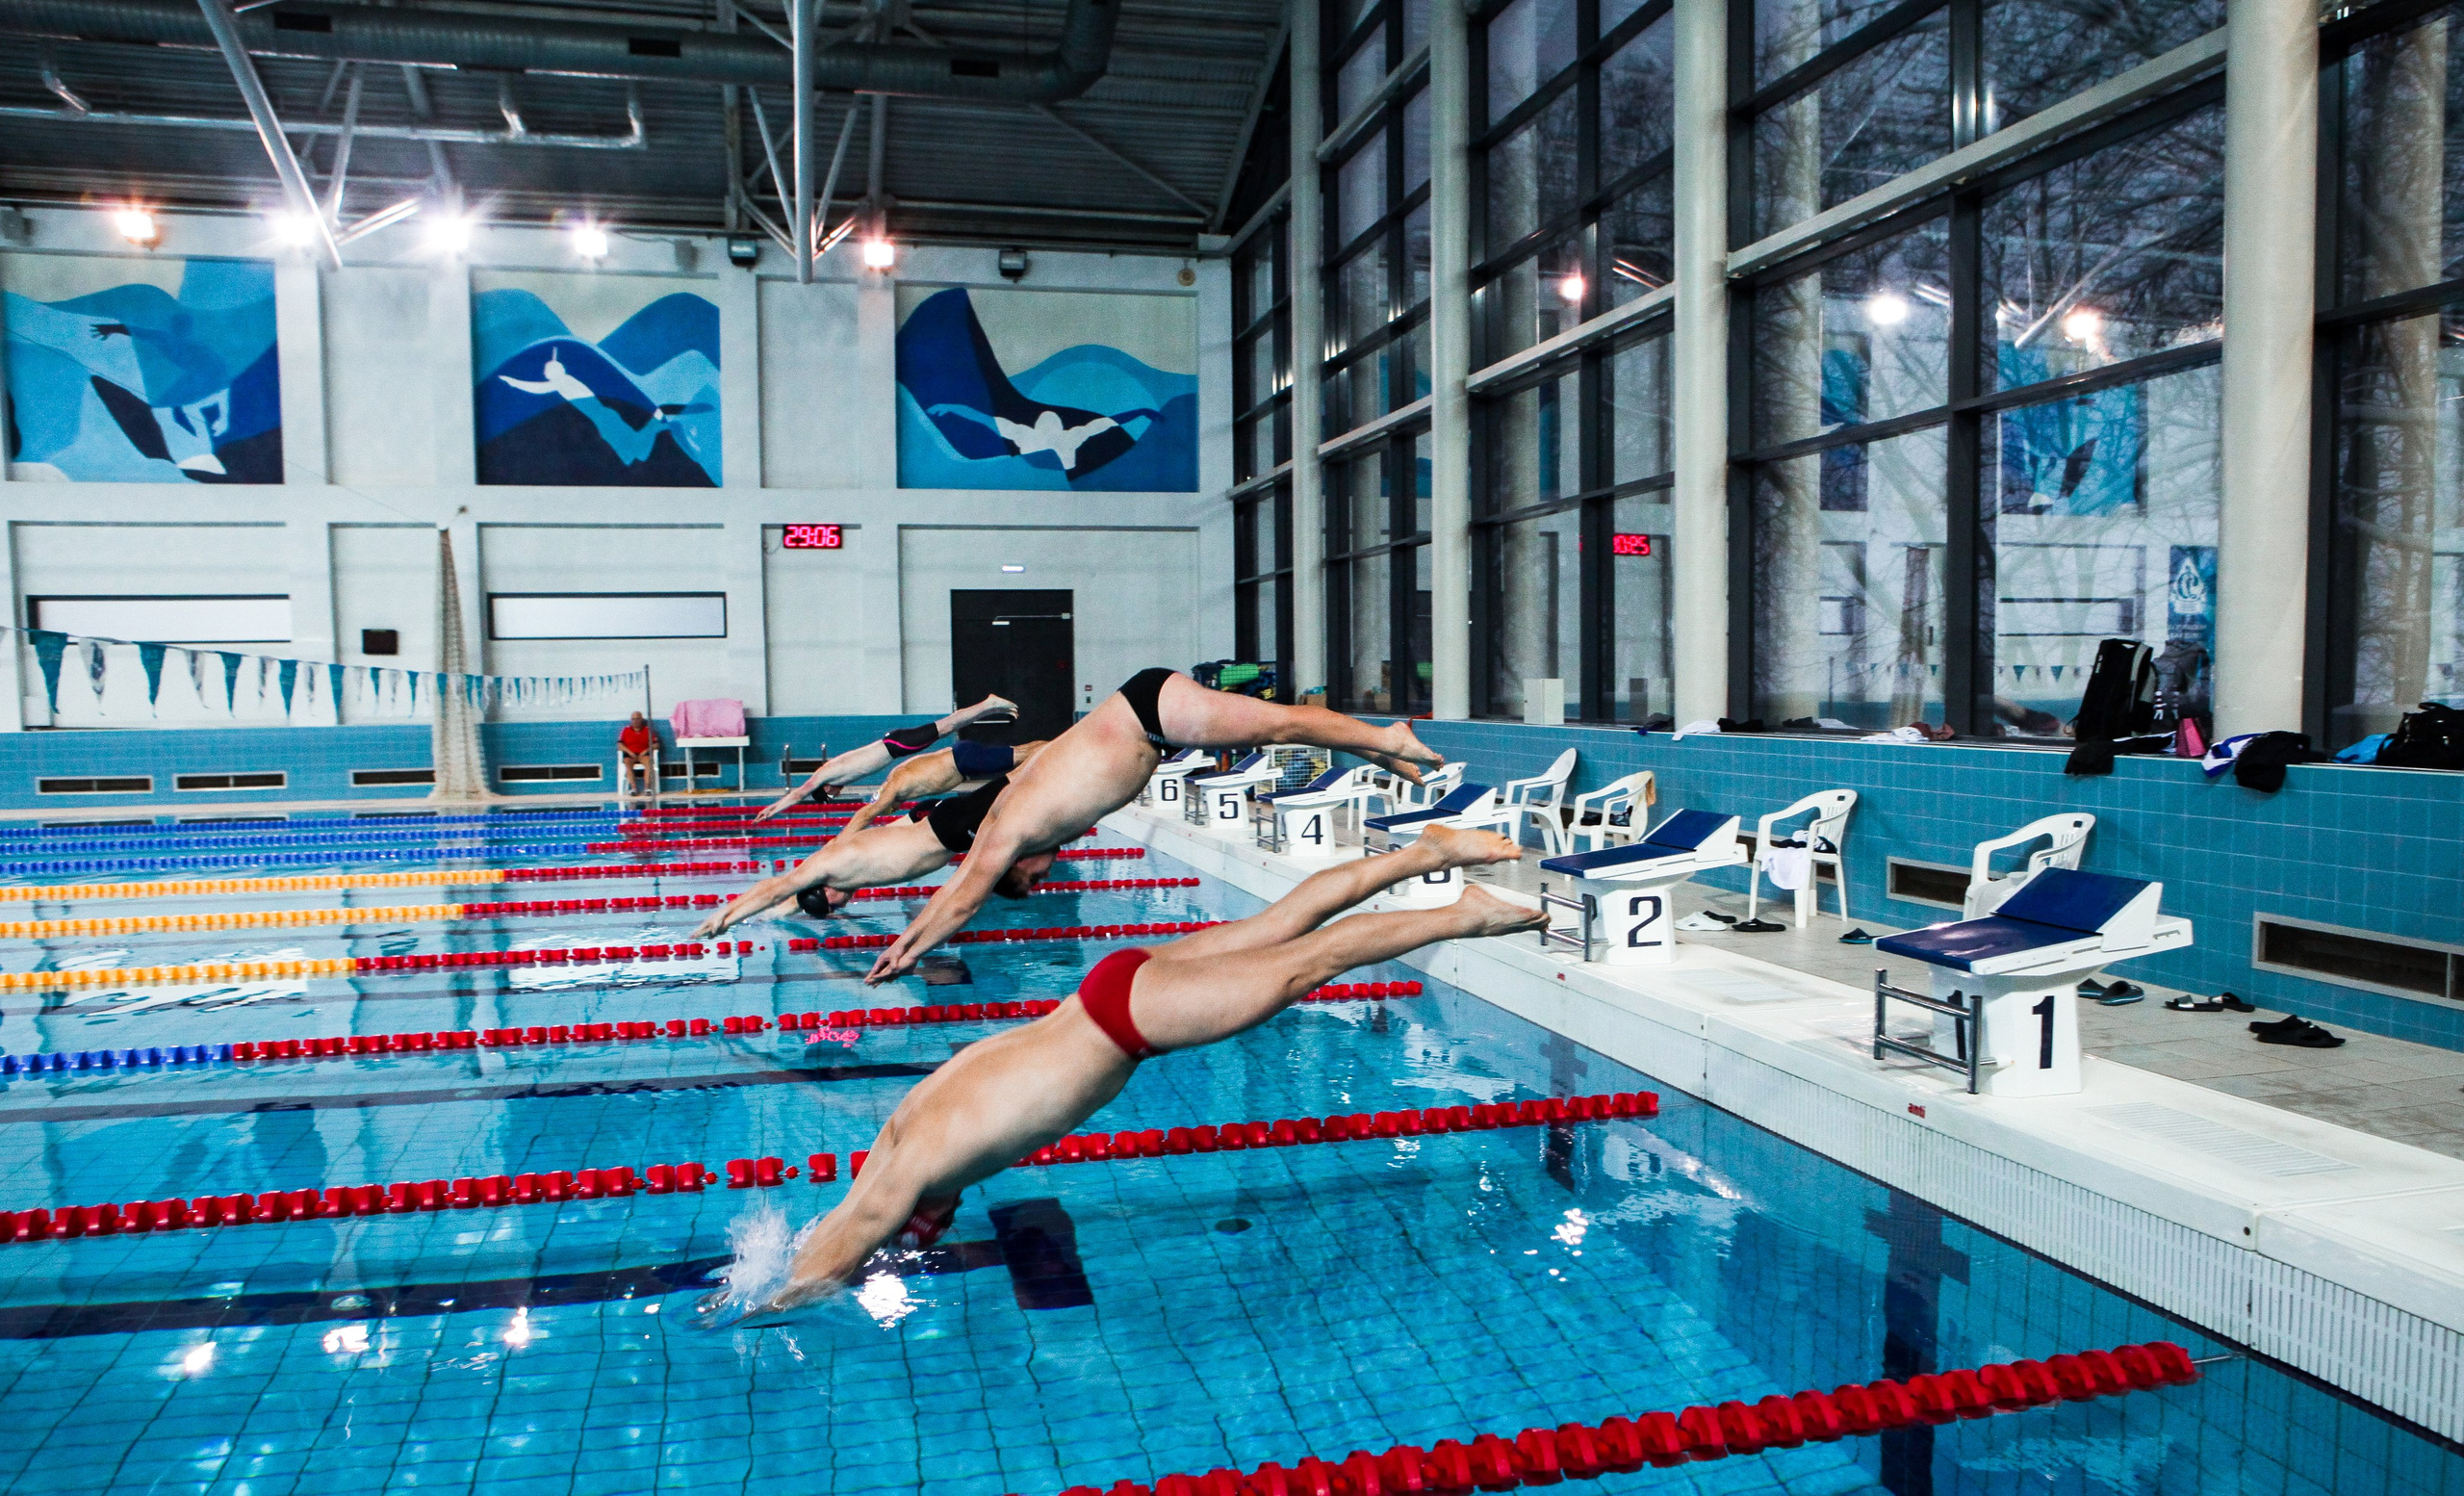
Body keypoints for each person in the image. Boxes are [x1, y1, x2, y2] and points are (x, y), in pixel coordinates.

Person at [699, 823, 1538, 1321]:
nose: (940, 1227)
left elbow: (844, 1243)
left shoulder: (907, 1175)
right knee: (1290, 920)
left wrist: (766, 1313)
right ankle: (1425, 851)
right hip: (1108, 988)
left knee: (1305, 961)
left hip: (1122, 1025)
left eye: (928, 1228)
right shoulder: (897, 1135)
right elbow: (848, 1222)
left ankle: (1462, 911)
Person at [863, 666, 1443, 985]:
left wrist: (907, 950)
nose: (1045, 877)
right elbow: (957, 893)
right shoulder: (1015, 825)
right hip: (1152, 724)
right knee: (1276, 728)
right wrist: (907, 944)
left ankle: (1386, 738)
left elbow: (962, 896)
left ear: (1015, 864)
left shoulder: (1006, 832)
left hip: (1147, 712)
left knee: (1280, 726)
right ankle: (1377, 749)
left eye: (1032, 880)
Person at [692, 776, 1056, 936]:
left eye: (831, 905)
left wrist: (724, 916)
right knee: (1027, 793)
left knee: (1025, 781)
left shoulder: (831, 864)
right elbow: (784, 901)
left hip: (949, 829)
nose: (840, 908)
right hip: (943, 828)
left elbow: (775, 887)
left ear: (826, 890)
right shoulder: (842, 874)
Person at [755, 695, 1017, 822]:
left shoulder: (826, 773)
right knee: (947, 727)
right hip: (896, 745)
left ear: (825, 788)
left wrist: (773, 809)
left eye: (831, 795)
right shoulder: (839, 775)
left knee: (947, 726)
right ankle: (987, 708)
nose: (836, 793)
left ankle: (988, 704)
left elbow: (799, 793)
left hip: (895, 744)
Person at [833, 737, 1048, 838]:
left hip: (962, 760)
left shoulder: (894, 786)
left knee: (1020, 755)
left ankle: (1060, 745)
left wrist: (840, 842)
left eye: (890, 807)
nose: (893, 808)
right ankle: (1056, 745)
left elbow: (868, 813)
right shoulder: (897, 776)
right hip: (961, 758)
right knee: (1020, 752)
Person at [618, 711, 657, 797]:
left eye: (637, 719)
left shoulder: (648, 730)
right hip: (630, 755)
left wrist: (646, 750)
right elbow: (619, 745)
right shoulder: (626, 730)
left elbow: (656, 744)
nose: (635, 721)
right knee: (627, 762)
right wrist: (629, 752)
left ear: (641, 720)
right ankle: (633, 788)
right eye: (633, 719)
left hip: (643, 755)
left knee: (649, 762)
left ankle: (647, 788)